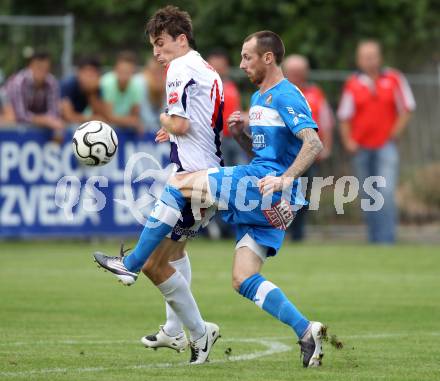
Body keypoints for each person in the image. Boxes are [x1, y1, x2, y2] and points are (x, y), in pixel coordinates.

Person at [94, 30, 327, 368]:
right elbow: (269, 153)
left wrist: (284, 179)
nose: (241, 63)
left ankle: (129, 265)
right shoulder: (261, 98)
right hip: (270, 198)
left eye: (248, 56)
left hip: (265, 187)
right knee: (243, 279)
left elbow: (313, 143)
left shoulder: (287, 96)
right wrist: (241, 135)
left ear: (268, 57)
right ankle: (306, 331)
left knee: (179, 184)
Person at [94, 6, 223, 364]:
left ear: (181, 40)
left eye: (161, 43)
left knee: (152, 262)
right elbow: (201, 121)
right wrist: (177, 127)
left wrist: (167, 120)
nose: (156, 52)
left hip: (193, 178)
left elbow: (181, 123)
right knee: (171, 256)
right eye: (153, 45)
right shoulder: (204, 66)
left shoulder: (180, 67)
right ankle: (176, 330)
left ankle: (132, 268)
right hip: (206, 172)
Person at [337, 40, 415, 244]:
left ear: (380, 57)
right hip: (361, 147)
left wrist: (394, 133)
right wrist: (348, 141)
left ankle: (387, 240)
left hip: (385, 146)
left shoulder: (394, 78)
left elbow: (407, 108)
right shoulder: (352, 83)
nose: (369, 60)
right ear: (358, 60)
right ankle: (374, 239)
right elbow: (344, 116)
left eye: (373, 56)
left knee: (385, 191)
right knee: (367, 193)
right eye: (365, 57)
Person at [283, 54, 335, 241]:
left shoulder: (315, 93)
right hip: (283, 154)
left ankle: (298, 234)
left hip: (307, 154)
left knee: (303, 195)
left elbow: (326, 121)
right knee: (280, 194)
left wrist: (326, 147)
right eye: (292, 72)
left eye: (299, 72)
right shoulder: (279, 92)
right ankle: (279, 231)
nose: (296, 75)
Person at [5, 51, 64, 132]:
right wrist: (45, 120)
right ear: (30, 66)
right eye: (39, 68)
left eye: (46, 69)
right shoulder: (19, 82)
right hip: (8, 113)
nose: (42, 72)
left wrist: (48, 121)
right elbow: (21, 115)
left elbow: (54, 113)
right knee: (9, 118)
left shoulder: (52, 82)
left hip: (36, 122)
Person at [207, 48, 246, 166]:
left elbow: (236, 108)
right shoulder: (205, 87)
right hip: (217, 139)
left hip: (235, 137)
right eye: (215, 66)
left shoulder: (231, 85)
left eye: (221, 66)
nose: (218, 70)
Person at [100, 51, 144, 133]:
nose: (124, 75)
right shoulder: (107, 82)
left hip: (117, 128)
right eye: (121, 71)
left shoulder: (137, 86)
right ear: (115, 69)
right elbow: (108, 116)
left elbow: (135, 116)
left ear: (133, 71)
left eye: (127, 71)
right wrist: (131, 121)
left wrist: (132, 121)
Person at [60, 57, 108, 123]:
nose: (89, 77)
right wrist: (91, 118)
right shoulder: (68, 84)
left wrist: (92, 92)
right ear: (78, 72)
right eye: (86, 72)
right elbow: (68, 116)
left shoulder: (97, 88)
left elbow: (101, 116)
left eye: (93, 73)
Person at [133, 56, 167, 132]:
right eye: (154, 72)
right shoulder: (138, 82)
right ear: (146, 72)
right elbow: (146, 115)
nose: (158, 77)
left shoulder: (171, 83)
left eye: (161, 72)